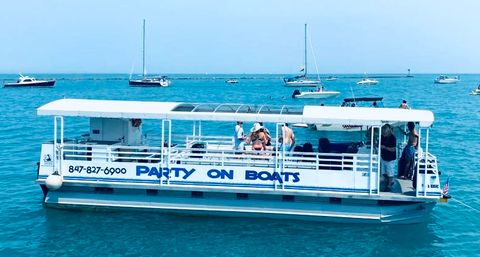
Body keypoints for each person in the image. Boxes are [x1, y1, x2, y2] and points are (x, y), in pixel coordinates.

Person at [380, 124, 396, 191]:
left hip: (390, 159)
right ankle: (387, 181)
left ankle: (389, 184)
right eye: (382, 132)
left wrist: (385, 147)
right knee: (384, 172)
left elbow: (393, 149)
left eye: (384, 133)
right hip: (383, 157)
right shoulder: (382, 136)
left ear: (388, 131)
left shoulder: (392, 138)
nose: (383, 134)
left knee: (390, 172)